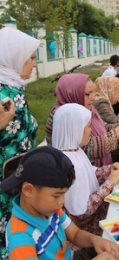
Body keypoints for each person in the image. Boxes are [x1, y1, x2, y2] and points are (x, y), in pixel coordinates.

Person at [0, 146, 119, 260]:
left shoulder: (48, 209)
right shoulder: (20, 239)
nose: (62, 201)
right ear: (28, 190)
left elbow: (75, 234)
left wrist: (95, 240)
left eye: (64, 194)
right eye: (56, 195)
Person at [52, 103, 119, 237]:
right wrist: (109, 183)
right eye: (88, 126)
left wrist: (109, 169)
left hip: (90, 219)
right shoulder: (68, 165)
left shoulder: (73, 149)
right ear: (75, 129)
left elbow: (89, 172)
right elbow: (83, 211)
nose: (91, 130)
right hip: (85, 229)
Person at [0, 27, 40, 259]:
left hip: (15, 181)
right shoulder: (5, 93)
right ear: (13, 55)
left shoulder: (14, 88)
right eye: (31, 58)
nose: (34, 64)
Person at [46, 73, 119, 167]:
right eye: (88, 94)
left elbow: (104, 126)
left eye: (93, 92)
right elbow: (89, 148)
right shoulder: (64, 116)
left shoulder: (86, 108)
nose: (93, 97)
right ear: (73, 93)